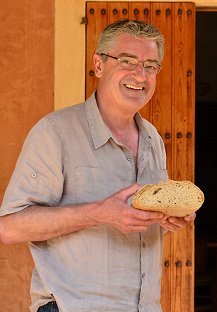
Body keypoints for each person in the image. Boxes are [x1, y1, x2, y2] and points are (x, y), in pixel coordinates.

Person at [0, 19, 195, 312]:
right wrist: (98, 213)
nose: (140, 75)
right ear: (99, 64)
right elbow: (9, 228)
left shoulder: (153, 138)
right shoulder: (55, 132)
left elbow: (135, 220)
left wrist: (167, 219)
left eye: (151, 65)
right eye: (127, 61)